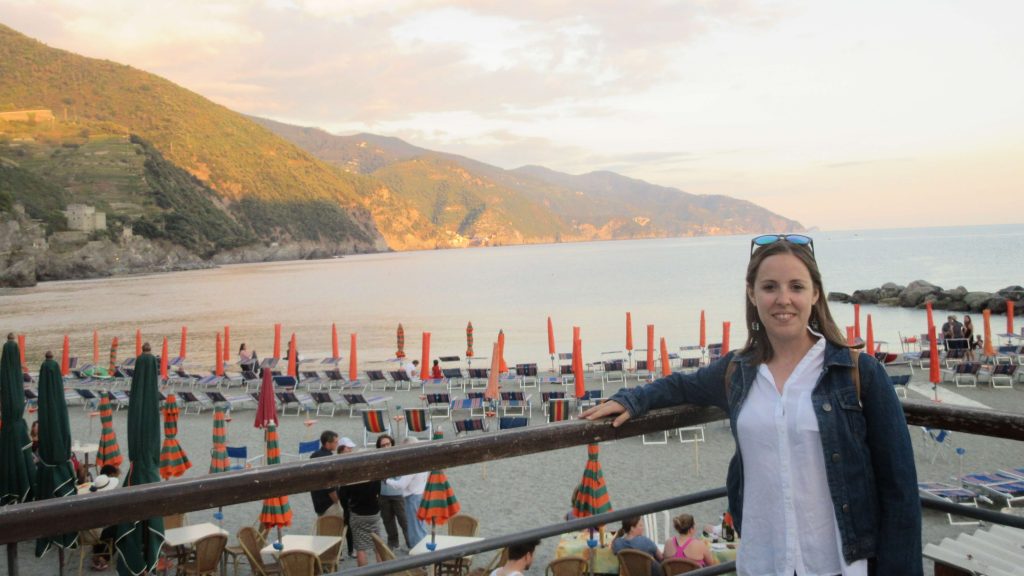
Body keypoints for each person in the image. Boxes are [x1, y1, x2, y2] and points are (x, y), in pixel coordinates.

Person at [584, 233, 921, 575]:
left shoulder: (858, 372)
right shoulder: (738, 371)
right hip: (764, 560)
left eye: (796, 287)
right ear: (752, 293)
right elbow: (680, 385)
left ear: (815, 293)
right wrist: (631, 399)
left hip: (837, 562)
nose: (783, 299)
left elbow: (901, 493)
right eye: (770, 287)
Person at [386, 437, 430, 548]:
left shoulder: (412, 464)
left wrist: (387, 480)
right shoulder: (422, 460)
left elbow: (401, 485)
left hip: (412, 497)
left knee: (414, 528)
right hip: (420, 495)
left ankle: (419, 554)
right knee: (419, 526)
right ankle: (423, 550)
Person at [376, 434, 411, 550]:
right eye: (383, 445)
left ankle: (410, 542)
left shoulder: (398, 457)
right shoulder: (377, 459)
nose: (386, 447)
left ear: (392, 444)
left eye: (388, 444)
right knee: (388, 521)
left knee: (404, 520)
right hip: (383, 495)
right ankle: (393, 543)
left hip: (398, 494)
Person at [339, 476, 382, 566]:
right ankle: (383, 571)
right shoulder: (373, 474)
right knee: (378, 546)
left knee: (360, 548)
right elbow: (378, 491)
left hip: (358, 513)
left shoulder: (352, 477)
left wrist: (346, 508)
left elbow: (342, 495)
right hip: (374, 512)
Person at [90, 464, 122, 570]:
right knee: (120, 530)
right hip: (95, 533)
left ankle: (98, 553)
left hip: (88, 531)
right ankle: (103, 557)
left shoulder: (93, 496)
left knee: (112, 527)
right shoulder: (104, 501)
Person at [310, 431, 340, 516]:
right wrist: (338, 502)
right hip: (329, 504)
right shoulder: (328, 459)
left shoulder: (314, 456)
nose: (337, 444)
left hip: (318, 503)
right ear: (327, 443)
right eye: (335, 442)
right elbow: (329, 485)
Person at [337, 437, 357, 556]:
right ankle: (349, 549)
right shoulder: (339, 460)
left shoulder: (348, 459)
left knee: (349, 520)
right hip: (344, 491)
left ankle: (350, 548)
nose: (350, 450)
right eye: (348, 448)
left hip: (348, 490)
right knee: (347, 520)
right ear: (342, 448)